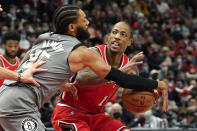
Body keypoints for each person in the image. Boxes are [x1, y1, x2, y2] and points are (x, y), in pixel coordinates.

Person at [0, 5, 167, 131]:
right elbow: (119, 77)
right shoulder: (81, 52)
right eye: (84, 20)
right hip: (20, 106)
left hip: (7, 96)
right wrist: (155, 84)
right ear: (72, 27)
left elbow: (29, 64)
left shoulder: (44, 38)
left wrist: (61, 84)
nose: (88, 22)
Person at [52, 21, 142, 131]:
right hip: (70, 113)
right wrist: (118, 73)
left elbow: (135, 93)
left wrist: (148, 93)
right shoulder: (92, 53)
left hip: (96, 117)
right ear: (109, 37)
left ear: (129, 41)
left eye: (123, 34)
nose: (117, 37)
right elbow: (82, 80)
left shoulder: (130, 66)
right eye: (114, 32)